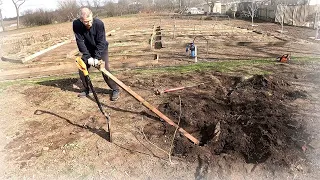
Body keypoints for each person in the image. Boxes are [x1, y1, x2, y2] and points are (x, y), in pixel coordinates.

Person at [73, 7, 119, 101]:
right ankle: (86, 89)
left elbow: (101, 42)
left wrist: (97, 58)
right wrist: (87, 56)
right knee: (82, 69)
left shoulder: (99, 24)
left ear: (92, 16)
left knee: (104, 69)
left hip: (101, 49)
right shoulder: (76, 24)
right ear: (81, 20)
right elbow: (80, 41)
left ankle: (115, 89)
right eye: (86, 22)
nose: (89, 23)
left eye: (90, 20)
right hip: (88, 50)